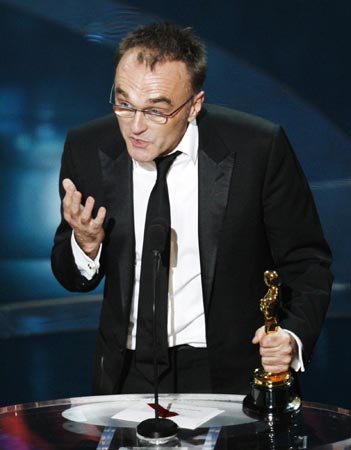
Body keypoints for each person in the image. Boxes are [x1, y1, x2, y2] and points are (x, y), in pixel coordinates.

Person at [51, 22, 332, 395]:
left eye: (156, 111)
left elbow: (307, 261)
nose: (135, 126)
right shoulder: (87, 147)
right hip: (126, 372)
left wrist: (292, 336)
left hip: (227, 373)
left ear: (194, 105)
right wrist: (85, 244)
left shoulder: (258, 148)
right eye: (124, 104)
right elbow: (72, 276)